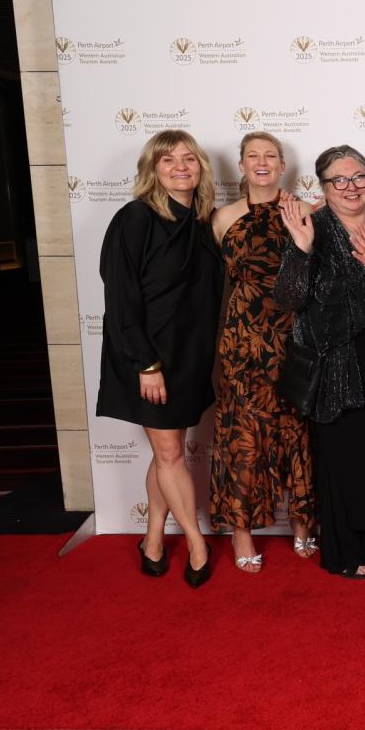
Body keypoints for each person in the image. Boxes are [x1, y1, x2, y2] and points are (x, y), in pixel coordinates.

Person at [97, 129, 221, 588]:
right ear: (153, 169)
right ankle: (195, 543)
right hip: (149, 359)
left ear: (201, 167)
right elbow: (121, 298)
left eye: (189, 158)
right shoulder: (135, 218)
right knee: (171, 453)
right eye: (168, 160)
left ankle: (151, 539)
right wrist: (146, 364)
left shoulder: (202, 221)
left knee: (164, 453)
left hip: (189, 357)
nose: (181, 167)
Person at [275, 145, 365, 580]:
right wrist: (302, 250)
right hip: (337, 363)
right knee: (344, 460)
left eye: (359, 178)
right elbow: (290, 299)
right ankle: (343, 551)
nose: (351, 188)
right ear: (323, 186)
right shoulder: (312, 227)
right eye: (340, 180)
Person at [209, 132, 316, 573]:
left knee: (297, 431)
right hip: (242, 342)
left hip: (293, 338)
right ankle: (241, 532)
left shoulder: (306, 211)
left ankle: (303, 526)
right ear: (240, 166)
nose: (262, 162)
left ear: (283, 164)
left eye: (270, 155)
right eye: (253, 156)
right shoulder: (221, 218)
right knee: (243, 439)